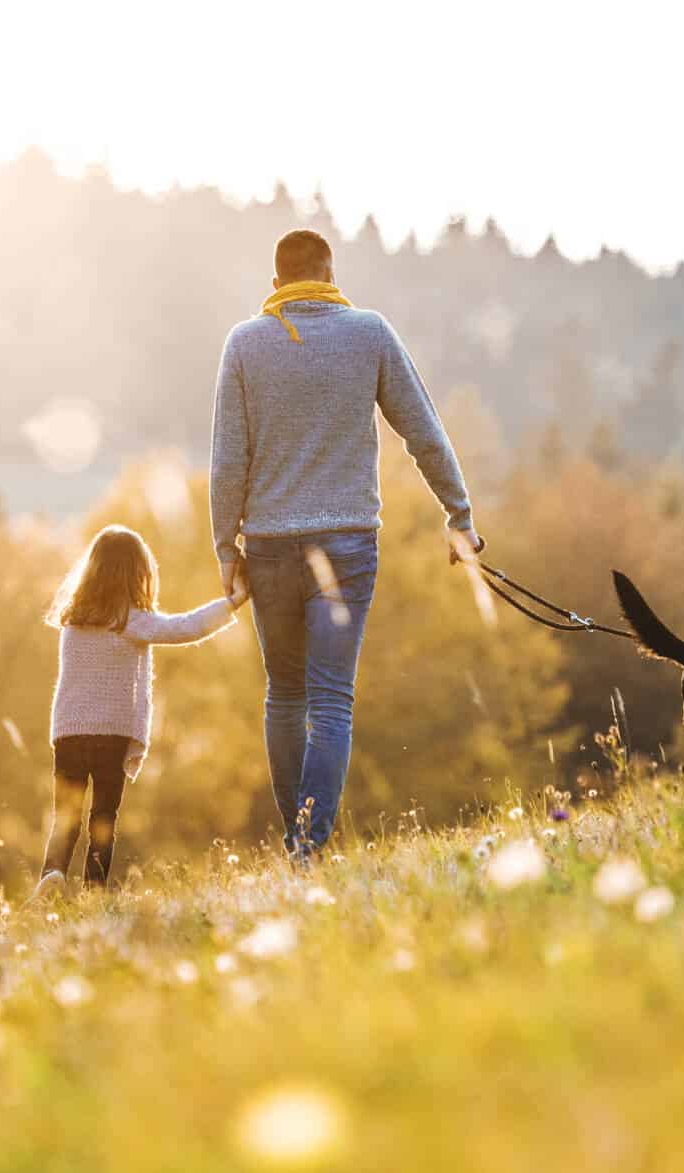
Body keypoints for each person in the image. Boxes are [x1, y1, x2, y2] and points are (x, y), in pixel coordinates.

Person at [209, 228, 483, 858]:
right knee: (330, 697)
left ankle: (296, 843)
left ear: (276, 283)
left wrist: (227, 548)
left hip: (271, 545)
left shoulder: (246, 343)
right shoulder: (369, 333)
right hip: (348, 544)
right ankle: (307, 845)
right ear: (331, 275)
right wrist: (459, 514)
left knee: (284, 693)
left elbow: (228, 460)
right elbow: (425, 432)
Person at [31, 525, 248, 897]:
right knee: (103, 818)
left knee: (64, 816)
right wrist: (233, 602)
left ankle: (52, 875)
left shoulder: (73, 622)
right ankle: (94, 892)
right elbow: (186, 627)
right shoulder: (128, 621)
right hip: (109, 736)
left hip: (68, 733)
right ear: (136, 574)